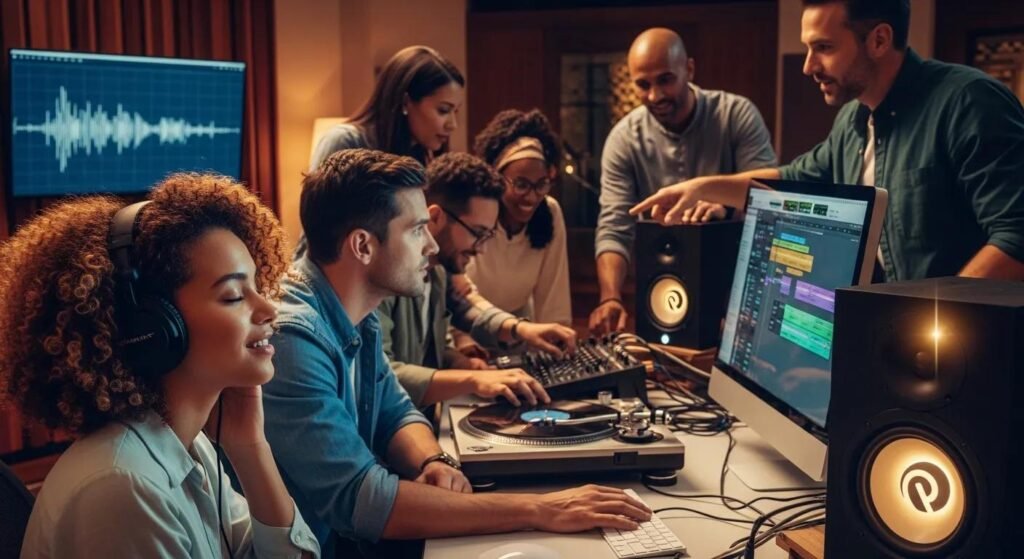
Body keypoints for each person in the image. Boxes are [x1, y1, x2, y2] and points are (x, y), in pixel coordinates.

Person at [263, 149, 651, 558]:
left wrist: (434, 460)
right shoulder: (292, 340)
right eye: (416, 230)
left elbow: (395, 410)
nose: (431, 244)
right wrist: (541, 508)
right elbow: (362, 501)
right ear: (362, 245)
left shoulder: (359, 310)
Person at [0, 174, 319, 558]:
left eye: (257, 286)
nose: (269, 309)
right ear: (154, 329)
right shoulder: (122, 486)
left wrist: (250, 448)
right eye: (234, 296)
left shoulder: (189, 446)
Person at [631, 0, 1024, 281]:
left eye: (823, 48)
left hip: (967, 361)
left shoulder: (969, 101)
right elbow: (791, 181)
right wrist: (701, 188)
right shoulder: (851, 121)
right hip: (898, 353)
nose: (807, 66)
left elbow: (1016, 237)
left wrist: (932, 325)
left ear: (880, 40)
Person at [590, 27, 777, 335]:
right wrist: (610, 297)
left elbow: (769, 198)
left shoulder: (736, 115)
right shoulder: (623, 139)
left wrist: (724, 205)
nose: (655, 95)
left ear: (689, 69)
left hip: (735, 289)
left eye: (665, 80)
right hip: (659, 295)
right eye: (643, 84)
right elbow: (614, 226)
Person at [379, 151, 571, 407]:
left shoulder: (437, 272)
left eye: (487, 236)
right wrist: (471, 380)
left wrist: (456, 361)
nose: (480, 248)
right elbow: (380, 375)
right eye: (477, 233)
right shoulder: (384, 275)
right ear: (435, 217)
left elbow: (422, 348)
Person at [466, 108, 571, 328]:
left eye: (541, 184)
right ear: (497, 178)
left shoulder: (549, 212)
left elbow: (554, 299)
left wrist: (557, 341)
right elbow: (458, 295)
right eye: (521, 184)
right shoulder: (475, 212)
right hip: (470, 331)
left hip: (521, 334)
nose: (532, 196)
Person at [309, 45, 463, 169]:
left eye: (456, 111)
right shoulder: (344, 142)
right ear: (405, 102)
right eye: (443, 110)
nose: (453, 125)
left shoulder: (420, 156)